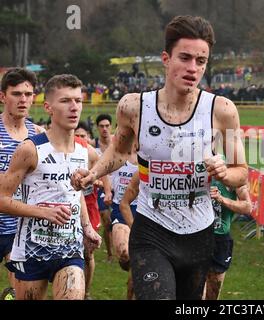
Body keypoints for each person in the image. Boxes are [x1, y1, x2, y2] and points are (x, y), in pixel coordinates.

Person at [71, 15, 248, 300]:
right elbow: (118, 151)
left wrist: (225, 173)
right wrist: (94, 174)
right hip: (152, 230)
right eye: (185, 58)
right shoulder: (134, 106)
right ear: (166, 58)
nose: (193, 68)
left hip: (199, 234)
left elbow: (242, 171)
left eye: (200, 61)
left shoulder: (221, 110)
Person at [0, 74, 101, 300]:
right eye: (66, 101)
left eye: (78, 100)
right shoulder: (30, 149)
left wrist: (87, 227)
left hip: (67, 248)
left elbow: (75, 195)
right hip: (31, 248)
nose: (74, 107)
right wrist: (43, 212)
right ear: (48, 107)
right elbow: (2, 199)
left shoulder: (86, 152)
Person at [0, 68, 44, 300]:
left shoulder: (38, 135)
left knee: (23, 294)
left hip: (20, 228)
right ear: (3, 97)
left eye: (28, 94)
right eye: (16, 94)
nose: (23, 99)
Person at [74, 121, 111, 300]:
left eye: (83, 136)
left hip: (90, 206)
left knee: (88, 252)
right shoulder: (67, 151)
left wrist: (97, 183)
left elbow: (105, 178)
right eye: (77, 135)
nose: (80, 139)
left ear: (88, 137)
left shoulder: (92, 153)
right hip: (71, 207)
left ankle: (86, 291)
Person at [203, 180, 251, 300]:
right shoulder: (193, 167)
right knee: (197, 292)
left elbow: (247, 206)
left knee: (212, 294)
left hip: (219, 239)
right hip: (196, 237)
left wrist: (221, 199)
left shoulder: (233, 171)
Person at [110, 150, 138, 300]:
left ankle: (131, 294)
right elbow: (103, 171)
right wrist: (108, 191)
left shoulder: (149, 154)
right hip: (120, 208)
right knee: (125, 253)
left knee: (137, 261)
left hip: (142, 210)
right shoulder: (118, 155)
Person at [94, 114, 114, 262]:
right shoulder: (92, 145)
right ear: (97, 128)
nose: (105, 129)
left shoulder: (118, 143)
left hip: (119, 187)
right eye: (102, 126)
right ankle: (110, 254)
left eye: (107, 126)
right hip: (101, 188)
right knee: (106, 219)